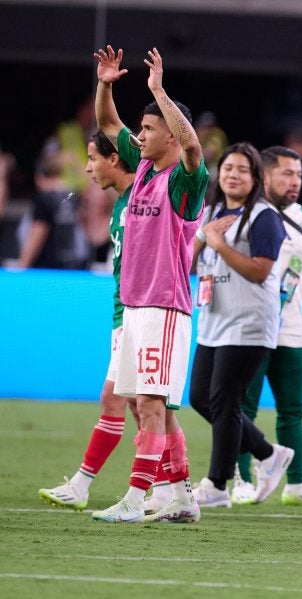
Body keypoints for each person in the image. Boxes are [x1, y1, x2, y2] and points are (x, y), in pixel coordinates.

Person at [89, 45, 208, 523]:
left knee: (150, 404)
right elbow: (107, 123)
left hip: (164, 306)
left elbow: (195, 149)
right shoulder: (140, 169)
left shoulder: (183, 183)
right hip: (136, 306)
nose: (138, 138)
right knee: (146, 405)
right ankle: (181, 496)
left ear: (172, 137)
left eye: (149, 129)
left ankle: (136, 500)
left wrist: (159, 90)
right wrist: (105, 84)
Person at [189, 143, 293, 508]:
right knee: (201, 398)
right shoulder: (212, 211)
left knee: (225, 402)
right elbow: (187, 265)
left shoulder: (264, 216)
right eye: (227, 168)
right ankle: (268, 453)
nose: (232, 175)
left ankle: (217, 486)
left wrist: (217, 244)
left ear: (255, 179)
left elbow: (260, 270)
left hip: (248, 323)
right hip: (213, 319)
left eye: (242, 170)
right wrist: (203, 237)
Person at [38, 130, 136, 510]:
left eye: (93, 157)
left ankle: (82, 484)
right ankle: (170, 486)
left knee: (122, 400)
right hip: (124, 313)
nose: (86, 167)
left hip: (141, 313)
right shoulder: (121, 205)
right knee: (138, 406)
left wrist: (106, 90)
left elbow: (110, 122)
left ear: (115, 159)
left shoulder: (143, 198)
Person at [236, 146, 302, 507]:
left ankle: (296, 483)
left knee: (293, 410)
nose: (295, 181)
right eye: (287, 174)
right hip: (252, 325)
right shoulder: (249, 212)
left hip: (291, 327)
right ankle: (241, 479)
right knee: (243, 408)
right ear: (266, 175)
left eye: (299, 175)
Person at [16, 152, 88, 269]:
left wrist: (22, 265)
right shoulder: (73, 197)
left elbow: (38, 232)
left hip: (45, 269)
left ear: (39, 177)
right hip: (72, 266)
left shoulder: (44, 199)